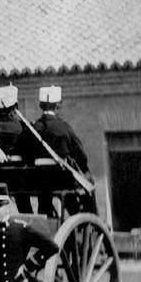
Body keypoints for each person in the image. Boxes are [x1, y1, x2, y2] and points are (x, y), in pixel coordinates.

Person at [31, 86, 93, 215]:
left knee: (44, 201)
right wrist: (84, 169)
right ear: (58, 106)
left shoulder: (32, 129)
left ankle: (47, 217)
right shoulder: (64, 128)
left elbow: (25, 154)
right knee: (81, 189)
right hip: (62, 180)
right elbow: (80, 155)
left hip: (39, 181)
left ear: (40, 105)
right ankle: (82, 219)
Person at [0, 84, 34, 213]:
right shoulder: (23, 128)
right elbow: (29, 154)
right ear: (16, 106)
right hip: (19, 178)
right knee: (25, 206)